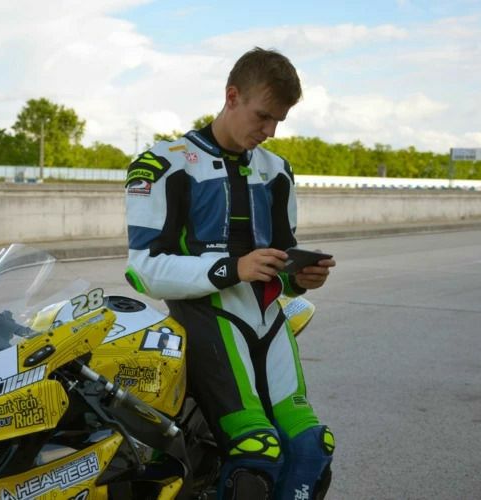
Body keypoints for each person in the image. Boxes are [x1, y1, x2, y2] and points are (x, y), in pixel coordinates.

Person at [124, 47, 336, 500]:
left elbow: (282, 260)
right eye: (263, 116)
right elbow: (144, 270)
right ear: (232, 96)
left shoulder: (277, 171)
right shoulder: (163, 164)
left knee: (312, 448)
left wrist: (300, 277)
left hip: (269, 319)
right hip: (205, 320)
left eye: (279, 121)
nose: (270, 131)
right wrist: (233, 268)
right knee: (256, 451)